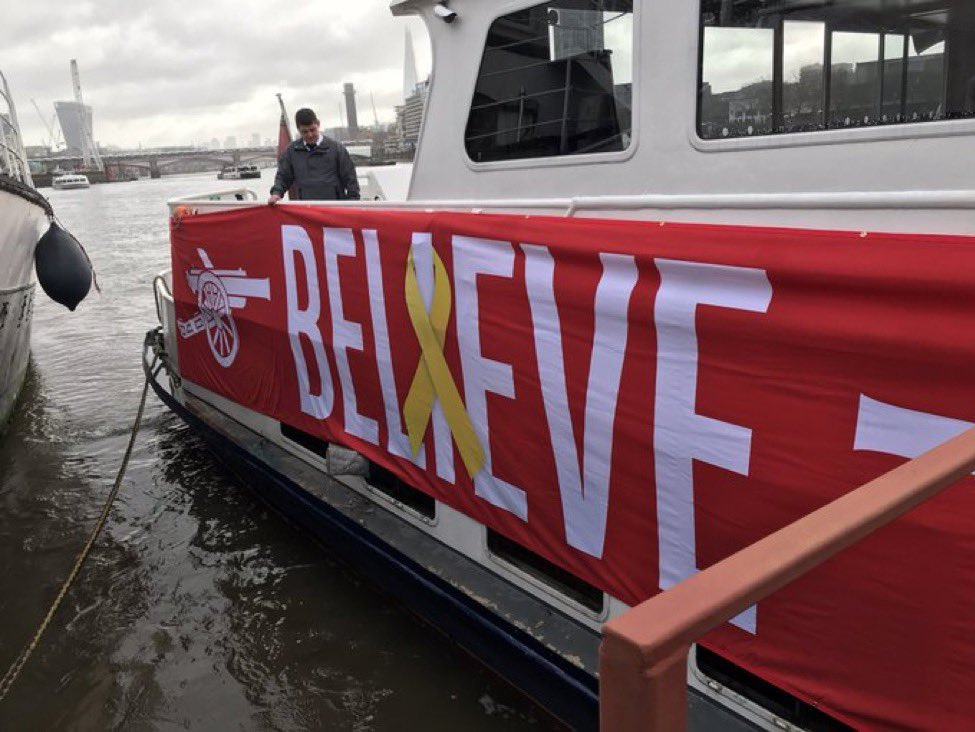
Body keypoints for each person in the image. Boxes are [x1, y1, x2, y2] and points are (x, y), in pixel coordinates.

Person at [268, 108, 360, 204]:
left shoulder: (336, 149)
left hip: (334, 206)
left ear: (318, 124)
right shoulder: (291, 151)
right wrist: (276, 193)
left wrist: (353, 202)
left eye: (312, 130)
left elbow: (350, 178)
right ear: (298, 130)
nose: (310, 135)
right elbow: (283, 176)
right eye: (305, 132)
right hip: (305, 207)